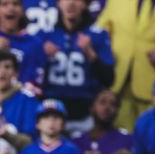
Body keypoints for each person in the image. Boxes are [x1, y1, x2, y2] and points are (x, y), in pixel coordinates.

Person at [95, 0, 155, 131]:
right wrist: (106, 51)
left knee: (152, 134)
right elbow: (101, 29)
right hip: (119, 80)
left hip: (153, 81)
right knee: (121, 139)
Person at [39, 0, 116, 133]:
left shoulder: (97, 35)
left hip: (84, 116)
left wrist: (91, 54)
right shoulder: (44, 36)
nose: (71, 3)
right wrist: (40, 57)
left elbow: (109, 79)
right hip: (50, 115)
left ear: (85, 4)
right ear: (58, 3)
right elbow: (30, 80)